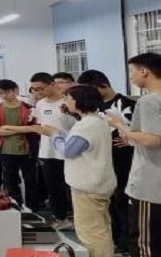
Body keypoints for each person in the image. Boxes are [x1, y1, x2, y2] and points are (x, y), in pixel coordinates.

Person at [37, 85, 116, 257]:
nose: (66, 102)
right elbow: (78, 141)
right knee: (101, 228)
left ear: (79, 100)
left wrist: (54, 135)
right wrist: (59, 133)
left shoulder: (86, 125)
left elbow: (68, 151)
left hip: (88, 186)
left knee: (91, 232)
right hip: (99, 183)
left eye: (68, 98)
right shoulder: (96, 120)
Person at [108, 53, 161, 257]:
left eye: (131, 71)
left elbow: (152, 139)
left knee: (145, 245)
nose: (130, 76)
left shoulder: (149, 101)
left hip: (151, 185)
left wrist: (120, 126)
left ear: (144, 71)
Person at [78, 69, 136, 253]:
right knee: (107, 204)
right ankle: (114, 239)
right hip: (101, 162)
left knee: (123, 201)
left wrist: (130, 137)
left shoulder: (128, 104)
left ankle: (126, 241)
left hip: (124, 161)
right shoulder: (94, 107)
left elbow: (139, 134)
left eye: (90, 90)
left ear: (103, 86)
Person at [30, 72, 76, 230]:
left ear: (52, 84)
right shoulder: (40, 104)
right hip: (47, 152)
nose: (38, 92)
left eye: (41, 88)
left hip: (69, 150)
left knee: (72, 187)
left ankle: (77, 217)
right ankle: (61, 218)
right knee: (53, 188)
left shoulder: (68, 102)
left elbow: (76, 126)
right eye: (34, 89)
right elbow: (41, 125)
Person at [0, 79, 38, 210]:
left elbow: (33, 128)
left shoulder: (29, 109)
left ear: (16, 90)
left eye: (7, 92)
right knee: (9, 180)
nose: (4, 95)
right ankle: (15, 206)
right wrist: (19, 130)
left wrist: (7, 128)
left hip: (27, 149)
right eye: (1, 93)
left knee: (30, 180)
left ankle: (32, 208)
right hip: (5, 149)